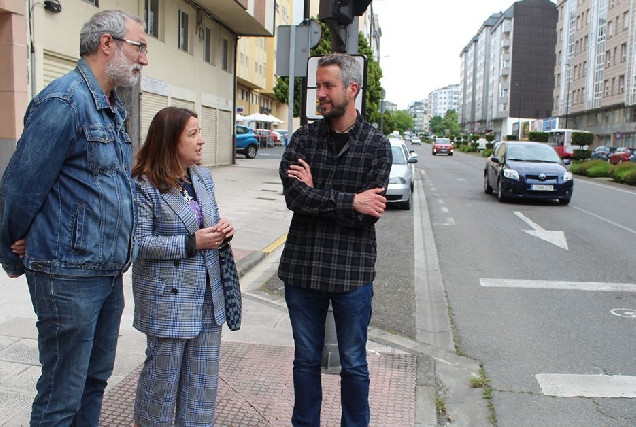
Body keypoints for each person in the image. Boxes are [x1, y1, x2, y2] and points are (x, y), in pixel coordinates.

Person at [0, 9, 148, 426]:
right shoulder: (63, 101)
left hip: (105, 272)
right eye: (139, 46)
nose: (144, 58)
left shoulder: (112, 108)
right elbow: (19, 188)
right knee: (61, 395)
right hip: (68, 277)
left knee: (94, 382)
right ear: (108, 44)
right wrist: (15, 254)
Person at [278, 53, 392, 426]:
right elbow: (295, 197)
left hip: (352, 275)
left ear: (352, 89)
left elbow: (366, 215)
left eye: (328, 86)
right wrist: (349, 199)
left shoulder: (376, 145)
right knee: (305, 361)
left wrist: (320, 194)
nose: (321, 94)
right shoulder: (303, 138)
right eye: (318, 86)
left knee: (354, 364)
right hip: (304, 272)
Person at [131, 106, 235, 427]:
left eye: (199, 132)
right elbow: (138, 243)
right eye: (193, 134)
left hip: (207, 299)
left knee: (202, 388)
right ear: (169, 141)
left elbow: (210, 221)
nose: (202, 140)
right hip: (168, 303)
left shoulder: (202, 177)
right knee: (160, 388)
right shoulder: (144, 184)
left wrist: (222, 231)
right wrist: (191, 243)